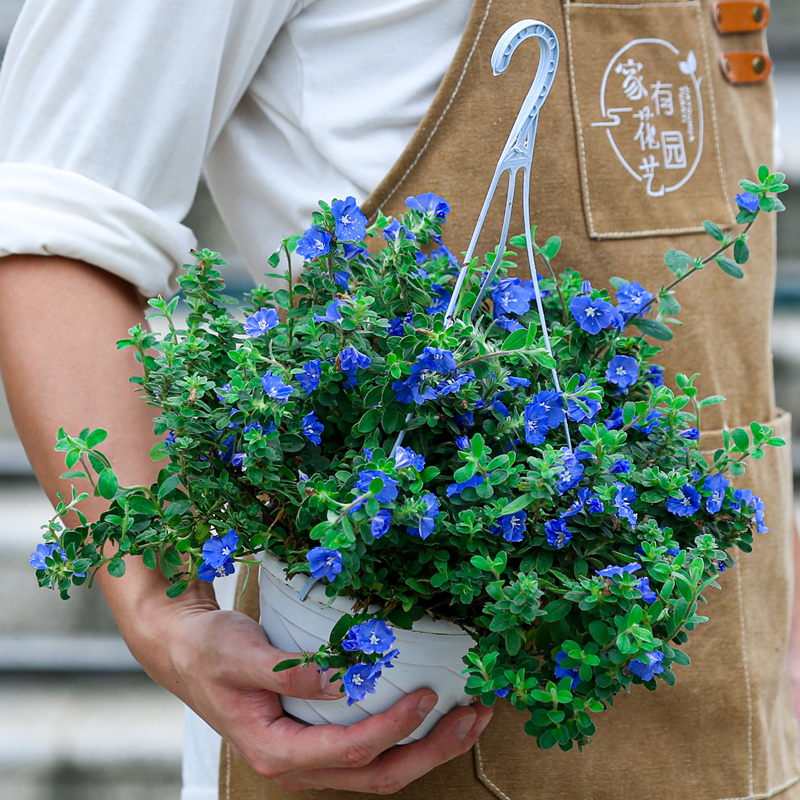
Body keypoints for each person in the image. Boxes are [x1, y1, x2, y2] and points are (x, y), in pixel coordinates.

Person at [0, 1, 797, 799]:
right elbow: (50, 223)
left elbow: (723, 355)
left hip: (735, 731)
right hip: (386, 742)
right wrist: (161, 608)